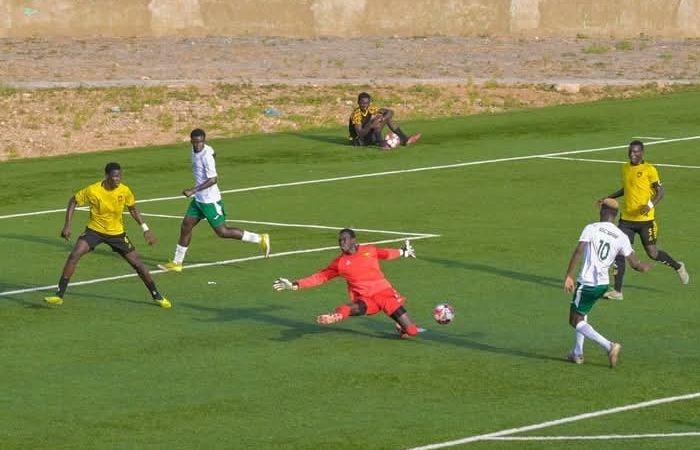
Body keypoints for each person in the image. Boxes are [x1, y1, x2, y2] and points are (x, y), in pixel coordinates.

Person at [44, 162, 171, 308]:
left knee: (138, 264)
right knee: (74, 255)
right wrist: (67, 224)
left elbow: (133, 209)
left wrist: (145, 229)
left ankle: (157, 296)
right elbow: (73, 201)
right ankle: (59, 295)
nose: (118, 179)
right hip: (94, 231)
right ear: (106, 176)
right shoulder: (93, 190)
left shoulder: (124, 191)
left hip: (117, 234)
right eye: (114, 176)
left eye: (119, 176)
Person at [272, 228, 421, 338]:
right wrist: (294, 285)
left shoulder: (369, 251)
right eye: (339, 240)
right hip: (366, 300)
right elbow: (320, 277)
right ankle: (335, 316)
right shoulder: (340, 263)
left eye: (344, 239)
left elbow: (387, 254)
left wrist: (403, 251)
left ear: (353, 240)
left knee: (412, 331)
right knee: (345, 308)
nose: (341, 243)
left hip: (385, 295)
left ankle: (402, 328)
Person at [159, 128, 270, 272]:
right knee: (186, 226)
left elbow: (213, 179)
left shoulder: (206, 156)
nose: (198, 144)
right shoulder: (197, 150)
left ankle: (260, 238)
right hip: (199, 201)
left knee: (222, 232)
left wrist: (193, 190)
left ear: (204, 141)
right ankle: (177, 263)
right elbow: (214, 152)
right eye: (195, 142)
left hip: (210, 201)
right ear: (191, 141)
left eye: (201, 142)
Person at [564, 198, 651, 367]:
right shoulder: (621, 236)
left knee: (574, 320)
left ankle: (609, 346)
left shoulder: (592, 228)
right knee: (583, 311)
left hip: (588, 282)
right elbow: (634, 263)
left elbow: (578, 251)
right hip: (603, 285)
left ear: (603, 211)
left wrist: (569, 275)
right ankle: (577, 353)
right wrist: (644, 267)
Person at [600, 140, 689, 300]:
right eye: (630, 152)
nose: (632, 155)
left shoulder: (650, 170)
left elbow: (660, 192)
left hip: (646, 221)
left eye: (636, 152)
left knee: (653, 253)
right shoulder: (625, 168)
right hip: (626, 220)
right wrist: (609, 197)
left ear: (642, 153)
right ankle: (617, 291)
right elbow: (627, 189)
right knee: (619, 252)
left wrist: (649, 205)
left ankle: (678, 266)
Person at [348, 92, 421, 149]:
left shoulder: (370, 108)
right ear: (358, 102)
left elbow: (390, 112)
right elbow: (360, 134)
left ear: (369, 103)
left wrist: (382, 119)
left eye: (366, 103)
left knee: (384, 117)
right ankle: (382, 143)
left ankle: (405, 140)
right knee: (376, 120)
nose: (364, 105)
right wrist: (371, 125)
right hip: (359, 141)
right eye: (362, 103)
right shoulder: (356, 114)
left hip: (369, 136)